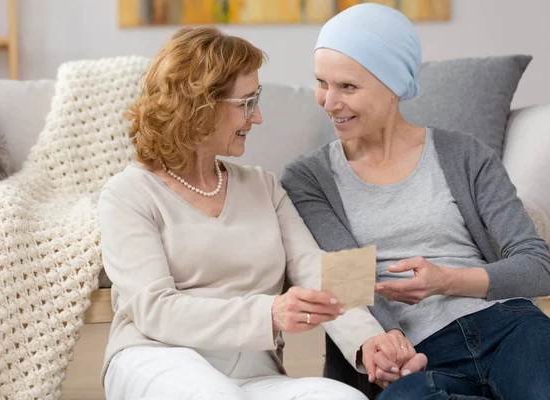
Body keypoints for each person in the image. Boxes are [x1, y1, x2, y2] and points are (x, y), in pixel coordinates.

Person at [97, 27, 426, 400]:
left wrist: (371, 341)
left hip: (255, 373)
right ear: (199, 105)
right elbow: (153, 309)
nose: (258, 118)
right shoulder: (128, 194)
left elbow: (318, 270)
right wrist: (269, 313)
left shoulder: (263, 186)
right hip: (155, 359)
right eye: (247, 103)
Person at [281, 3, 550, 399]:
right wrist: (391, 348)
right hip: (416, 356)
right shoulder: (309, 179)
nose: (328, 101)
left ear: (392, 86)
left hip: (507, 328)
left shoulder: (465, 154)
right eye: (322, 82)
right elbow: (349, 284)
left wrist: (445, 279)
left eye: (348, 87)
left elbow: (537, 266)